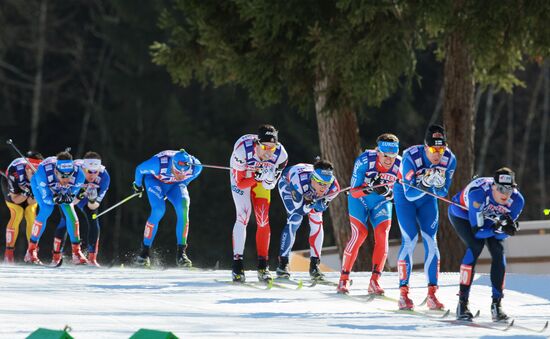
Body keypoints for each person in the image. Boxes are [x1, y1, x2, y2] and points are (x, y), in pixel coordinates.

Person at [393, 124, 456, 310]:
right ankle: (403, 294)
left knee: (431, 241)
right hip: (405, 197)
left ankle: (432, 294)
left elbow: (443, 191)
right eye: (433, 149)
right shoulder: (410, 157)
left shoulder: (449, 159)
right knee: (410, 240)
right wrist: (427, 184)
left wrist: (434, 186)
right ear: (425, 147)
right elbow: (410, 193)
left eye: (441, 149)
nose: (438, 154)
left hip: (428, 199)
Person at [448, 167, 523, 322]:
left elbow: (503, 233)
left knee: (499, 251)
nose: (505, 194)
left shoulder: (517, 200)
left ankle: (497, 305)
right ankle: (462, 304)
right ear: (493, 186)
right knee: (475, 247)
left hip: (488, 220)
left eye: (509, 190)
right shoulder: (478, 194)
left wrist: (506, 229)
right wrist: (497, 228)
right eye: (501, 189)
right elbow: (478, 232)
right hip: (463, 215)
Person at [337, 134, 401, 294]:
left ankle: (374, 281)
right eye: (385, 155)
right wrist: (370, 187)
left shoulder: (400, 164)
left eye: (393, 156)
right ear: (378, 151)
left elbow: (402, 195)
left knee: (382, 233)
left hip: (381, 202)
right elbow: (354, 192)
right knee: (360, 234)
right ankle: (343, 279)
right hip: (360, 201)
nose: (389, 160)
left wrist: (388, 194)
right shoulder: (365, 160)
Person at [230, 124, 288, 283]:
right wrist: (256, 176)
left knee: (263, 217)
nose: (269, 151)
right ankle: (237, 264)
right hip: (244, 175)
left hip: (260, 177)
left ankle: (263, 265)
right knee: (243, 215)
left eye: (273, 147)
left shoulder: (281, 156)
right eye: (264, 146)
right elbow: (240, 183)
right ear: (257, 144)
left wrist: (268, 177)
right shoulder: (242, 151)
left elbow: (270, 185)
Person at [132, 149, 202, 267]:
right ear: (173, 165)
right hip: (155, 181)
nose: (181, 175)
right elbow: (139, 169)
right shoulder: (158, 164)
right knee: (159, 210)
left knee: (183, 208)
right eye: (178, 172)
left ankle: (181, 254)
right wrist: (138, 186)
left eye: (183, 173)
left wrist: (183, 182)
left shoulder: (195, 166)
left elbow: (195, 173)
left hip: (174, 186)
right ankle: (144, 253)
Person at [275, 159, 340, 281]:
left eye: (327, 183)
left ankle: (314, 266)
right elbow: (299, 210)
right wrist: (308, 205)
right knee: (295, 219)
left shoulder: (334, 187)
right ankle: (282, 265)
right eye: (320, 183)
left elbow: (322, 206)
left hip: (308, 191)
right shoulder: (298, 182)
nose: (324, 188)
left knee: (317, 221)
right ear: (313, 179)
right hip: (288, 184)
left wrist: (319, 204)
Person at [25, 151, 86, 265]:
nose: (66, 179)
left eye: (70, 175)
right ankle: (31, 251)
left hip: (60, 191)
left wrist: (69, 197)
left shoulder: (79, 175)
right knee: (47, 209)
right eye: (63, 176)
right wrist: (54, 199)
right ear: (56, 171)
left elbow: (72, 196)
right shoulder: (43, 172)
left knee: (70, 212)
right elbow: (46, 198)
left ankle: (76, 253)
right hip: (40, 187)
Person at [52, 152, 110, 266]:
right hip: (71, 195)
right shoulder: (73, 172)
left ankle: (92, 258)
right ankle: (56, 256)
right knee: (66, 219)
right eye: (89, 171)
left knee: (93, 218)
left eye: (95, 171)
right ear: (83, 168)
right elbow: (70, 201)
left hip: (85, 199)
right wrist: (80, 195)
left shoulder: (105, 177)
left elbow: (94, 206)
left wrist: (93, 200)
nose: (92, 175)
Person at [1, 151, 43, 263]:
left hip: (27, 193)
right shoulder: (15, 171)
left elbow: (30, 202)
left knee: (31, 214)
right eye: (32, 169)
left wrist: (32, 190)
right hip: (13, 189)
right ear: (27, 168)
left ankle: (31, 252)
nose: (34, 173)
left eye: (37, 170)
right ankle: (8, 254)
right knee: (17, 213)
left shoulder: (42, 175)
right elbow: (15, 199)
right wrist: (26, 192)